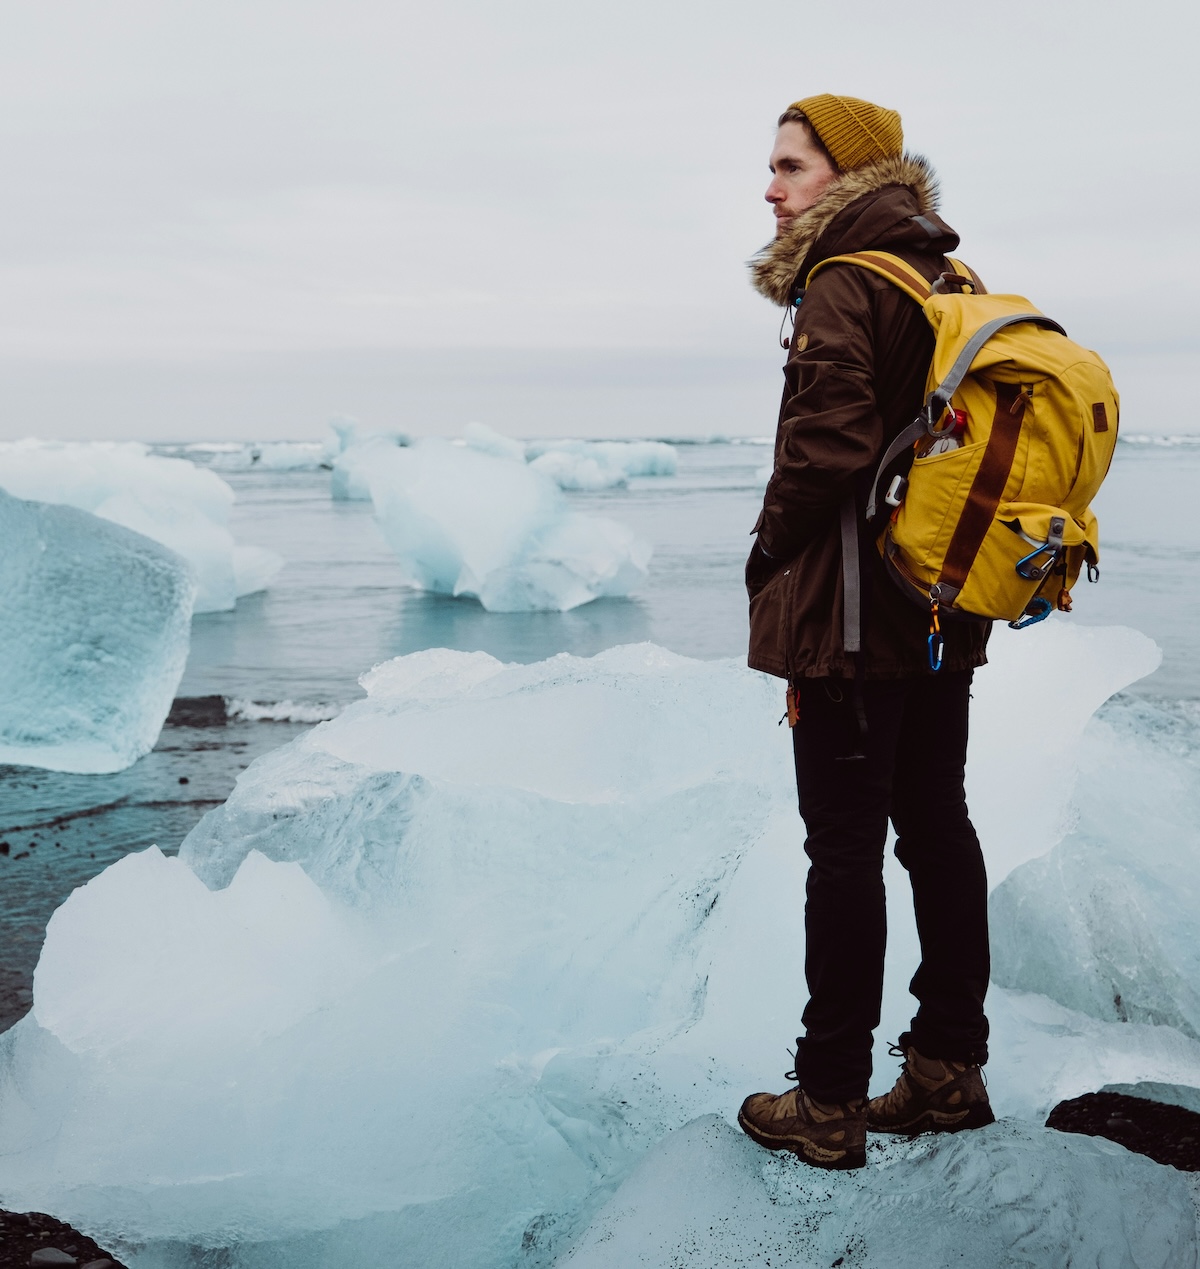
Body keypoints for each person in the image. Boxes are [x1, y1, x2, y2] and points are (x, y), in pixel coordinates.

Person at [736, 95, 995, 1171]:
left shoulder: (845, 275)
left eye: (791, 165)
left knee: (842, 851)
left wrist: (766, 553)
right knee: (935, 823)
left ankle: (831, 1098)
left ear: (847, 175)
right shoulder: (948, 276)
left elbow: (830, 443)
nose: (771, 186)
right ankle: (946, 1069)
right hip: (944, 605)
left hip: (852, 618)